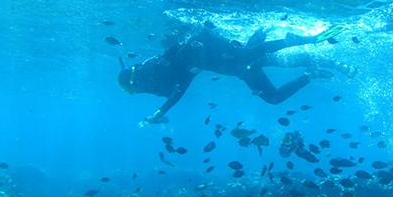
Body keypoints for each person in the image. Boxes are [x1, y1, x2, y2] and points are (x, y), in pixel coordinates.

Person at [118, 22, 347, 123]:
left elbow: (185, 44)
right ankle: (312, 72)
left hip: (213, 48)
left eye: (132, 89)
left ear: (134, 80)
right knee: (272, 95)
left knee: (246, 56)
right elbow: (177, 93)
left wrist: (159, 111)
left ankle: (306, 39)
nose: (137, 93)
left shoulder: (162, 68)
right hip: (234, 68)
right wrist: (159, 112)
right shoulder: (177, 73)